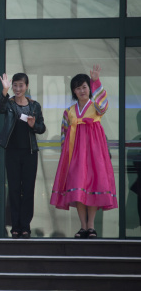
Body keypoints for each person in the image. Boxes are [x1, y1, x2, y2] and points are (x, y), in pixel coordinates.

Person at [50, 65, 118, 238]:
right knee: (77, 186)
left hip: (95, 153)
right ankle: (82, 226)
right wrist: (65, 157)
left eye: (85, 87)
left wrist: (96, 81)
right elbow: (64, 135)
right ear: (74, 91)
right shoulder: (69, 112)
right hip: (75, 154)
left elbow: (104, 106)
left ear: (89, 89)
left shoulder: (96, 106)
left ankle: (91, 225)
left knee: (95, 185)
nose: (82, 90)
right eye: (78, 88)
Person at [0, 73, 46, 239]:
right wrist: (5, 90)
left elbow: (42, 127)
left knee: (28, 189)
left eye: (20, 85)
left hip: (29, 152)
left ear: (26, 86)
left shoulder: (34, 106)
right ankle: (15, 226)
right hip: (12, 151)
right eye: (15, 85)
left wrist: (34, 125)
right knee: (14, 189)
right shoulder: (9, 104)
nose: (17, 89)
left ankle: (25, 225)